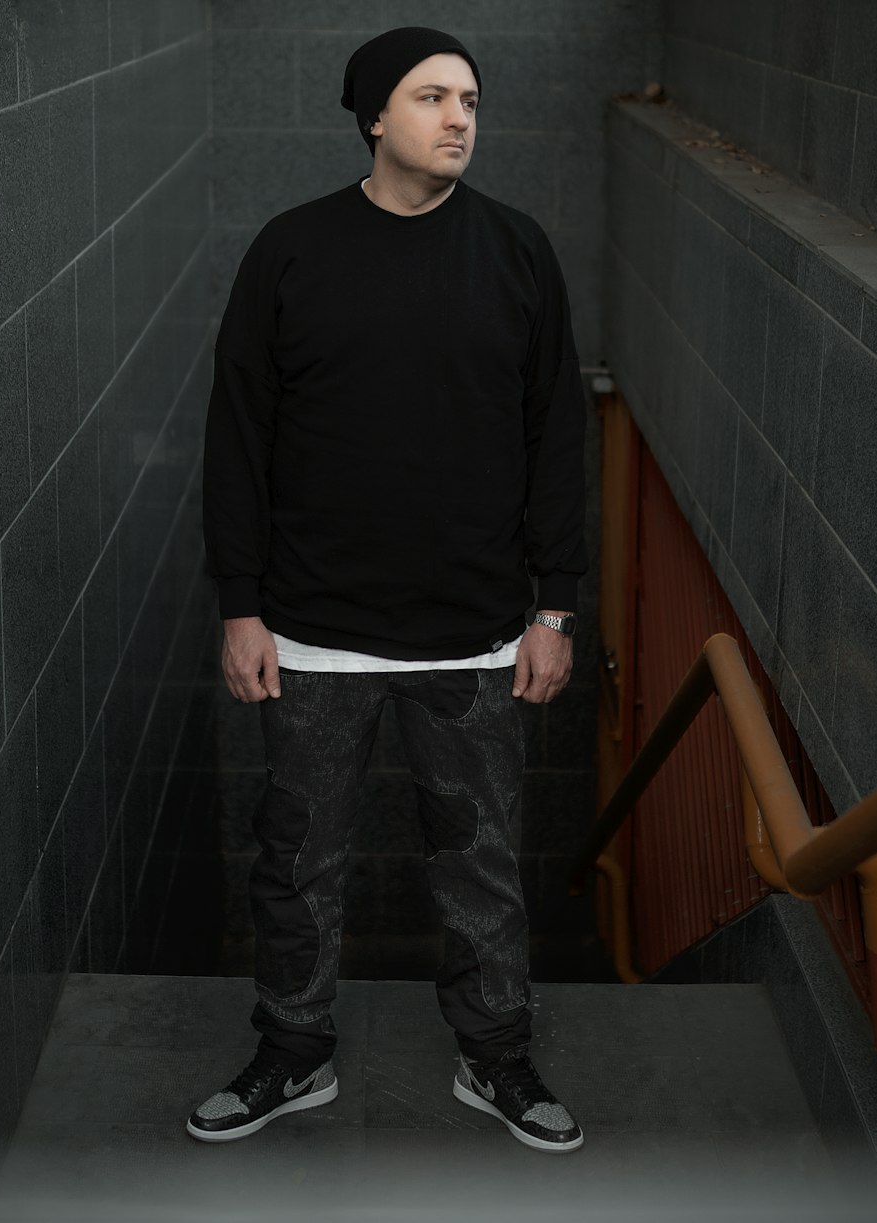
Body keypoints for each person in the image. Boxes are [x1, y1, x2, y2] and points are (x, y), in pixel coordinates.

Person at [188, 26, 587, 1154]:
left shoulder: (515, 251)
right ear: (373, 115)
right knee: (297, 860)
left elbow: (558, 432)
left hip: (471, 634)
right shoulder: (292, 251)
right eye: (430, 97)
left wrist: (553, 605)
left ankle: (497, 1056)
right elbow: (239, 439)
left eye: (469, 98)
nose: (459, 117)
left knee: (480, 864)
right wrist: (241, 601)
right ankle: (293, 1051)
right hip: (314, 630)